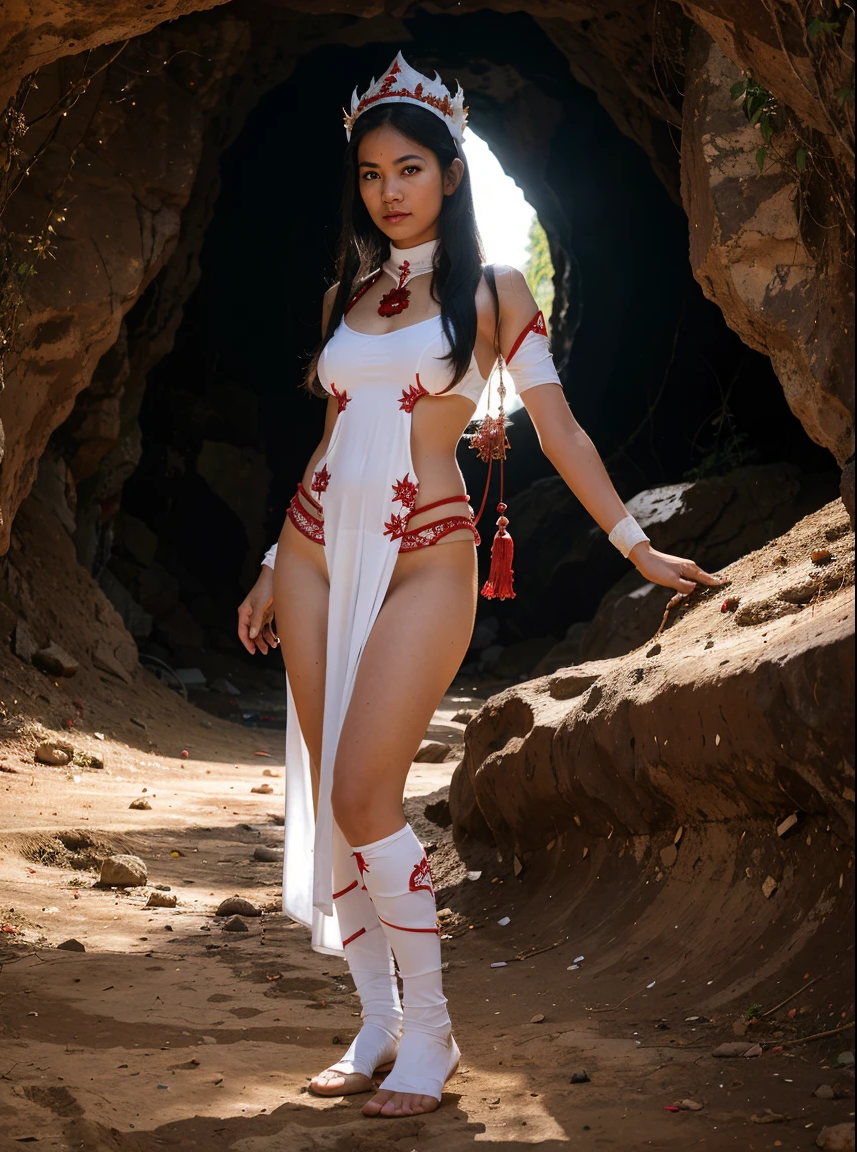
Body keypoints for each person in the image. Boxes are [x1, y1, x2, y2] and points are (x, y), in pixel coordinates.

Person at [236, 52, 726, 1120]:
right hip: (319, 552)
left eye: (409, 168)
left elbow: (559, 425)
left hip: (427, 555)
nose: (389, 191)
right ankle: (372, 1024)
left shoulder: (498, 293)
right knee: (335, 804)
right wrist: (276, 564)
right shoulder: (346, 292)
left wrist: (631, 543)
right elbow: (326, 445)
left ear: (452, 175)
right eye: (370, 175)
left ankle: (435, 1035)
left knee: (370, 793)